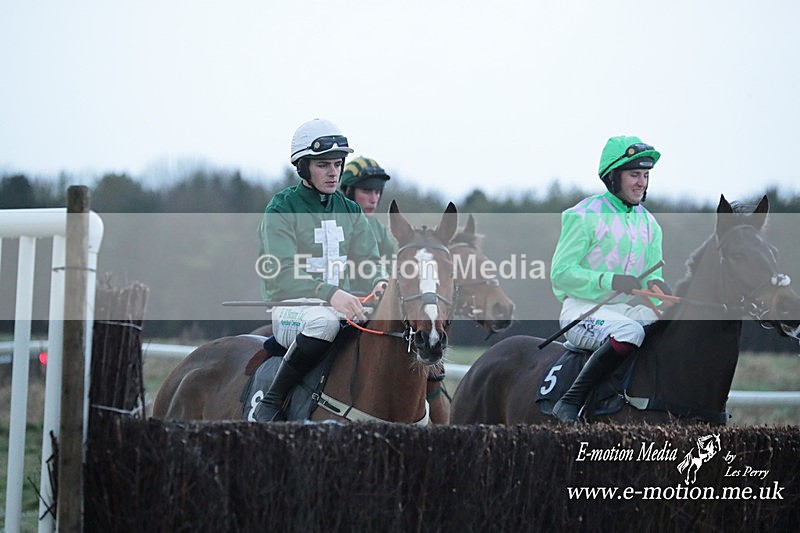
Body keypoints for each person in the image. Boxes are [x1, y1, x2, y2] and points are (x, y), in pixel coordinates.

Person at [254, 118, 387, 422]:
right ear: (303, 168)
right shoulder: (281, 209)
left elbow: (369, 262)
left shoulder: (351, 211)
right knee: (323, 323)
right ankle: (271, 403)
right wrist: (330, 294)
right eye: (323, 165)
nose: (333, 172)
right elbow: (281, 272)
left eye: (338, 164)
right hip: (291, 308)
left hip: (337, 305)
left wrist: (380, 282)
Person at [549, 135, 671, 423]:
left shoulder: (651, 226)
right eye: (634, 174)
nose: (642, 182)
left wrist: (659, 293)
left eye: (645, 174)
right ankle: (570, 402)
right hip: (581, 311)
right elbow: (561, 273)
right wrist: (611, 280)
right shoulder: (583, 216)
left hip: (622, 312)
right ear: (613, 177)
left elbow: (652, 281)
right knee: (630, 332)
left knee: (669, 324)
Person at [339, 156, 398, 260]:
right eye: (366, 191)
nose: (374, 199)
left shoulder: (379, 230)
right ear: (349, 192)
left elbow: (391, 268)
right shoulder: (330, 222)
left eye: (377, 192)